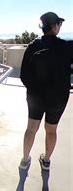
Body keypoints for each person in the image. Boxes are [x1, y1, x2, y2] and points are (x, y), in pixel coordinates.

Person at [19, 12, 71, 171]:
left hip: (36, 97)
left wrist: (34, 90)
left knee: (31, 128)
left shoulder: (33, 46)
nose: (60, 27)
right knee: (51, 130)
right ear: (54, 26)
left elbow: (23, 75)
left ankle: (25, 160)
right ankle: (46, 161)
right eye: (59, 24)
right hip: (58, 98)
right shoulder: (67, 47)